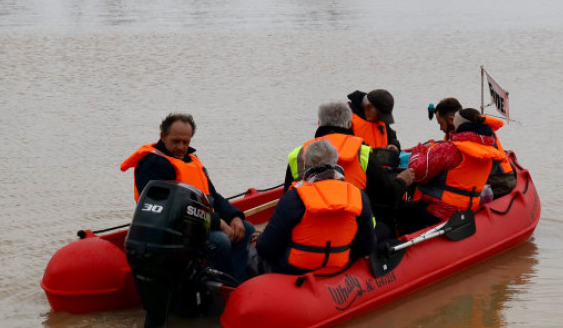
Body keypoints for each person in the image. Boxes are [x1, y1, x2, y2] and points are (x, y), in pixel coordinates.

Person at [120, 113, 255, 284]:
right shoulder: (153, 164)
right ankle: (223, 290)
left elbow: (213, 195)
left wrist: (234, 216)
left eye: (186, 142)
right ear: (163, 136)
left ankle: (238, 285)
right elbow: (174, 211)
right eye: (176, 141)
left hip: (201, 224)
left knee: (247, 230)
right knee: (219, 241)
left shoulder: (192, 161)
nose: (181, 147)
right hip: (172, 231)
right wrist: (218, 223)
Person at [284, 101, 413, 235]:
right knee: (387, 225)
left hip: (307, 231)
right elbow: (386, 197)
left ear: (319, 123)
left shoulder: (297, 154)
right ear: (349, 124)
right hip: (353, 233)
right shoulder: (362, 152)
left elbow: (287, 198)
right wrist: (402, 181)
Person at [255, 139, 375, 275]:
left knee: (251, 249)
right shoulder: (358, 195)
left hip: (294, 269)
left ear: (306, 164)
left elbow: (267, 249)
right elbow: (366, 247)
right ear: (335, 162)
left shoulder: (294, 197)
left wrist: (261, 238)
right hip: (338, 265)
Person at [399, 108, 508, 233]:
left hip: (440, 211)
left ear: (457, 125)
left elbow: (418, 173)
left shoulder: (450, 149)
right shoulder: (489, 150)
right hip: (469, 209)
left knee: (401, 211)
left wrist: (419, 151)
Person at [428, 96, 514, 197]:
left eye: (441, 124)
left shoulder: (470, 134)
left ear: (452, 120)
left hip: (499, 182)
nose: (440, 128)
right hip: (499, 177)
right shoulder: (473, 125)